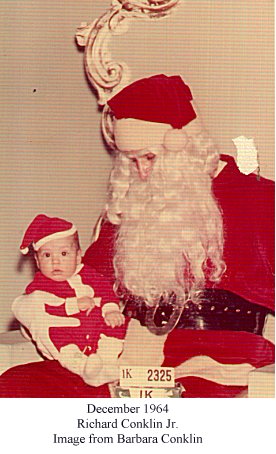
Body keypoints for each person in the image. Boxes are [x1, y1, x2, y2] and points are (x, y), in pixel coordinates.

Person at [0, 74, 274, 398]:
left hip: (217, 367)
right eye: (132, 161)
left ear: (183, 146)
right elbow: (82, 281)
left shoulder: (256, 200)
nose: (142, 174)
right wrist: (37, 310)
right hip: (124, 362)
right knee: (17, 386)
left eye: (150, 158)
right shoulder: (126, 209)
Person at [11, 214, 128, 389]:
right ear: (36, 260)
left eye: (64, 253)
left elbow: (106, 292)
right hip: (69, 332)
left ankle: (106, 362)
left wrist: (110, 309)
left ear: (78, 256)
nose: (55, 261)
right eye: (47, 255)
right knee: (59, 336)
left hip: (95, 329)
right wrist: (72, 305)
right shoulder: (40, 285)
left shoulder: (90, 275)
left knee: (117, 323)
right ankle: (81, 367)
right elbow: (45, 308)